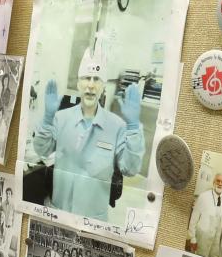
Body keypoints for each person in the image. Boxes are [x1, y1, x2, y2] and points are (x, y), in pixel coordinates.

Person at [32, 49, 144, 220]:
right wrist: (47, 119)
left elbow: (130, 168)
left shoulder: (117, 126)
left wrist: (134, 127)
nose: (91, 85)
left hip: (93, 220)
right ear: (78, 83)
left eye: (97, 79)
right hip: (60, 213)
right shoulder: (61, 118)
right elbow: (42, 150)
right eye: (86, 78)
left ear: (103, 86)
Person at [187, 173, 222, 257]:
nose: (220, 184)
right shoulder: (203, 196)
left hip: (215, 239)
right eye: (218, 181)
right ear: (214, 181)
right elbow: (193, 219)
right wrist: (192, 238)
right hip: (202, 238)